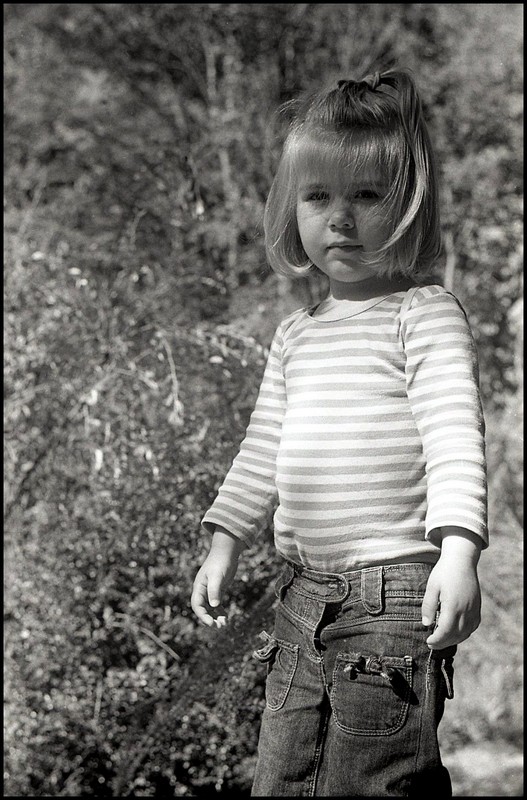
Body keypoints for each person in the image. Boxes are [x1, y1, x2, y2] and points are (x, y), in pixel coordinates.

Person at [191, 68, 488, 796]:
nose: (340, 220)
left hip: (394, 597)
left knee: (373, 777)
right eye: (318, 197)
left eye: (367, 196)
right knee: (283, 776)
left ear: (409, 204)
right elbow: (263, 447)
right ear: (291, 209)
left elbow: (454, 437)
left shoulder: (421, 314)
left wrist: (458, 553)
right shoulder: (296, 333)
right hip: (303, 595)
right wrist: (224, 541)